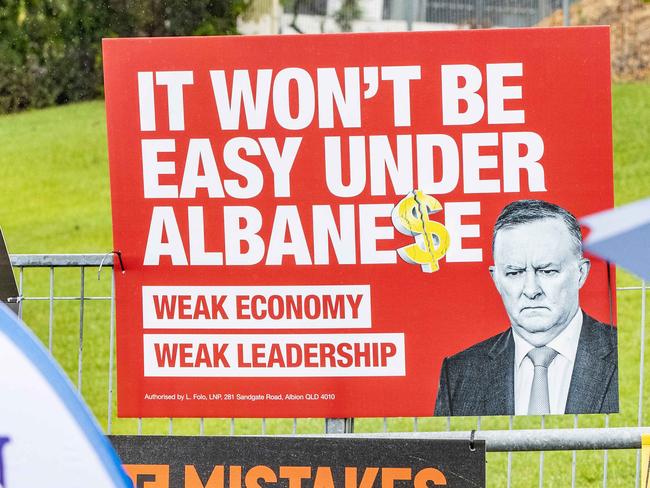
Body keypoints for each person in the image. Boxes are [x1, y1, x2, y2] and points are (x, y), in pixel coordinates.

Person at [434, 199, 618, 416]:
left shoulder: (628, 354)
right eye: (514, 273)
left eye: (547, 271)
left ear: (581, 273)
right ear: (496, 280)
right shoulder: (459, 373)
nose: (531, 290)